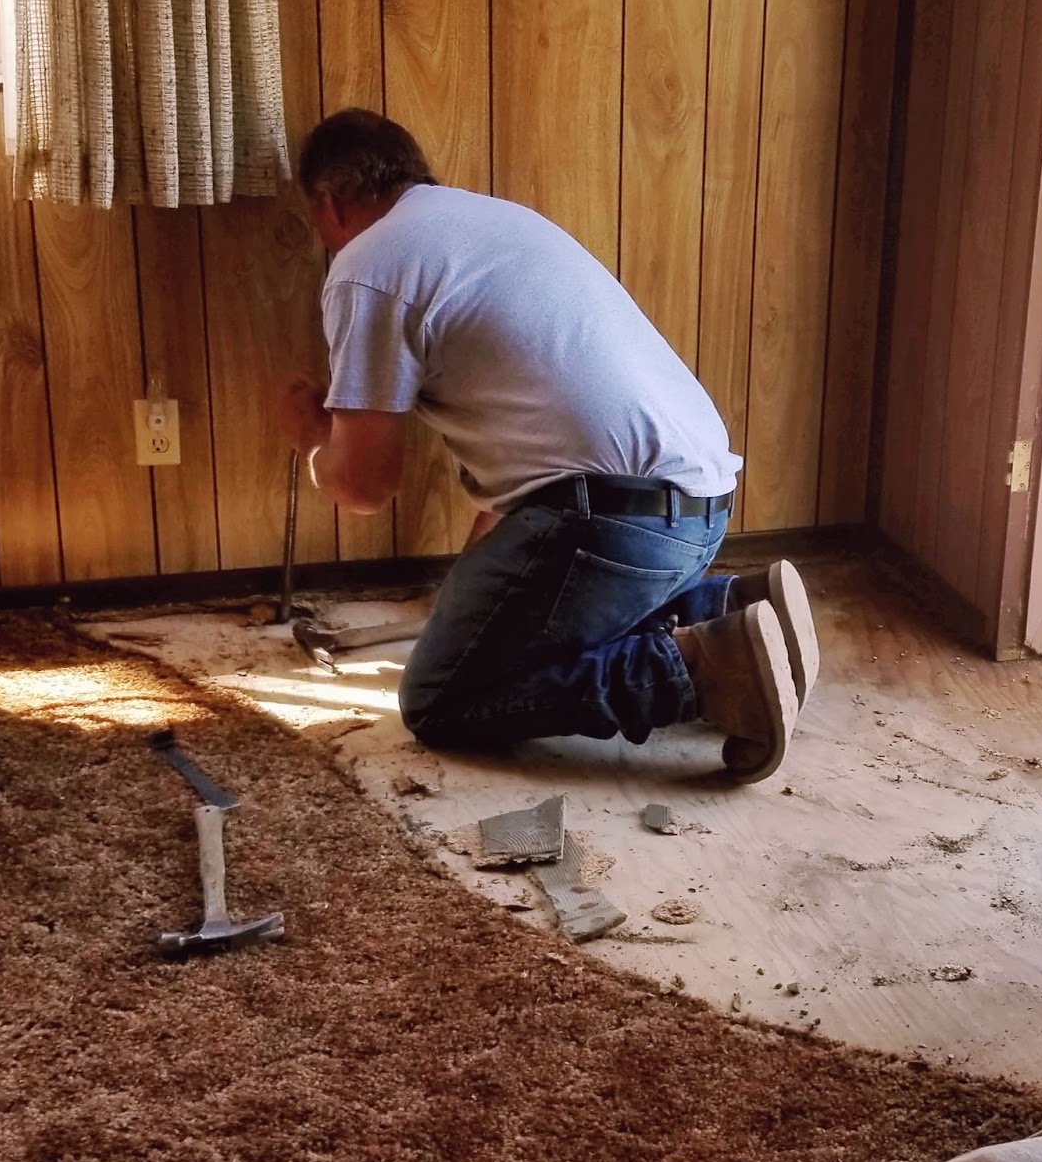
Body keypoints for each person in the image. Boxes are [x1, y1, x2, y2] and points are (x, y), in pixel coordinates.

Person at [277, 108, 818, 782]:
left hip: (612, 526)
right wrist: (476, 604)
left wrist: (312, 439)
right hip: (697, 513)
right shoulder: (493, 224)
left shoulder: (368, 264)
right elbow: (535, 468)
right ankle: (731, 607)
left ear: (328, 205)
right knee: (498, 639)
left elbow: (363, 486)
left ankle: (700, 672)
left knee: (440, 697)